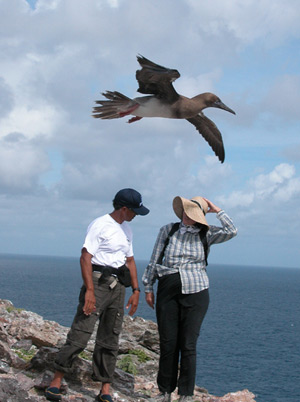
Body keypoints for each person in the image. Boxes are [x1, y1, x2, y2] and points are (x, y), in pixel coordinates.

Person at [45, 188, 149, 402]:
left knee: (110, 337)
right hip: (98, 283)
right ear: (123, 208)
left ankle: (105, 390)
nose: (136, 215)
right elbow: (85, 257)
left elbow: (129, 260)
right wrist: (90, 290)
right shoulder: (100, 224)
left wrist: (136, 290)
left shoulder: (127, 229)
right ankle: (56, 380)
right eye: (134, 211)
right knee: (81, 333)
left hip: (119, 286)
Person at [142, 195, 237, 402]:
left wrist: (216, 209)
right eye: (185, 210)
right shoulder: (168, 230)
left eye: (193, 213)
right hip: (168, 290)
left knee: (188, 344)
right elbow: (154, 258)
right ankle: (164, 392)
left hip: (197, 291)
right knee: (168, 343)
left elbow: (232, 231)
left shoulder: (207, 233)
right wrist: (148, 287)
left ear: (201, 216)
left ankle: (186, 394)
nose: (187, 215)